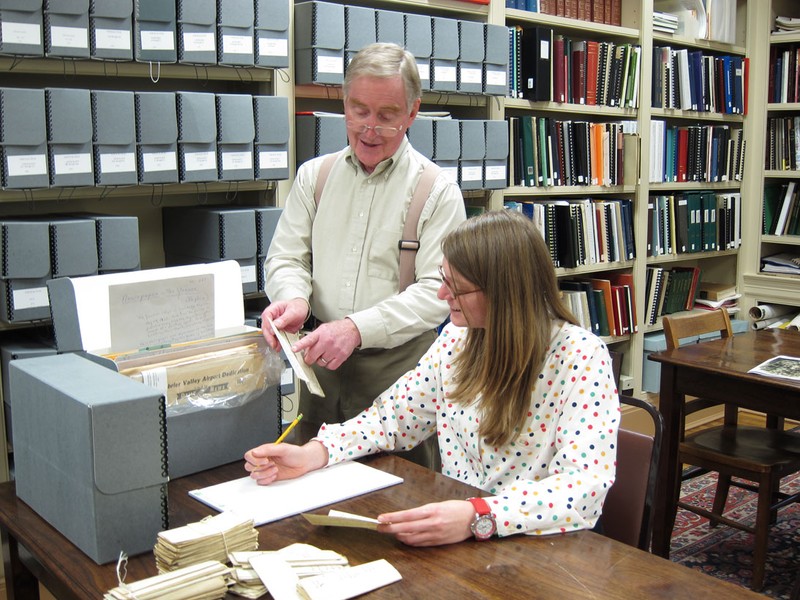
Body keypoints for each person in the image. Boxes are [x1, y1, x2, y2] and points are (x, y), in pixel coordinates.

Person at [246, 210, 620, 546]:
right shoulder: (458, 339)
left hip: (541, 542)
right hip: (464, 531)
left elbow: (582, 488)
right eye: (443, 279)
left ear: (505, 293)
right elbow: (391, 418)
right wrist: (314, 453)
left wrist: (478, 515)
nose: (442, 295)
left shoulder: (580, 357)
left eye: (457, 287)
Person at [261, 42, 466, 457]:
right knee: (310, 494)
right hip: (319, 366)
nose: (369, 128)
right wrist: (294, 300)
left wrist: (356, 329)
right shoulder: (313, 177)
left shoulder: (438, 191)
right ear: (344, 103)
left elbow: (435, 293)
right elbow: (286, 258)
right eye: (359, 110)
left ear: (412, 112)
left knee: (397, 501)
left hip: (399, 376)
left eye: (387, 116)